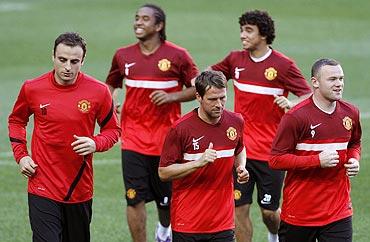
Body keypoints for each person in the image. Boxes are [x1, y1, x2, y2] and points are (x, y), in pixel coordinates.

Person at [207, 9, 312, 242]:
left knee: (269, 212)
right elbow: (208, 75)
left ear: (262, 34)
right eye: (242, 30)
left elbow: (309, 95)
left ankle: (274, 235)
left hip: (270, 152)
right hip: (240, 150)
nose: (242, 35)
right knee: (238, 208)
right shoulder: (235, 59)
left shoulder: (283, 65)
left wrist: (292, 103)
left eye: (248, 30)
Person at [8, 32, 121, 242]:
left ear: (83, 61)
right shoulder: (32, 88)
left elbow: (113, 131)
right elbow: (16, 121)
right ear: (53, 56)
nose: (67, 67)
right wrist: (21, 155)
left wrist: (95, 143)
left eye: (74, 61)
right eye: (62, 60)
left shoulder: (99, 91)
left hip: (79, 188)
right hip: (42, 184)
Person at [105, 3, 199, 242]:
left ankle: (164, 231)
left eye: (145, 19)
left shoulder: (178, 56)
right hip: (132, 139)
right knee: (133, 198)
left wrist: (172, 97)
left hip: (166, 140)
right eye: (136, 18)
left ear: (159, 26)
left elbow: (198, 87)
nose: (138, 22)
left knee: (166, 202)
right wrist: (109, 101)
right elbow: (111, 84)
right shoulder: (123, 55)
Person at [269, 58, 362, 242]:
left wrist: (354, 159)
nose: (339, 84)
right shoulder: (295, 117)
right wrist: (316, 160)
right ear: (315, 82)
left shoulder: (350, 113)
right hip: (300, 214)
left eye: (341, 79)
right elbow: (276, 159)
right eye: (332, 79)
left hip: (338, 213)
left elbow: (354, 143)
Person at [158, 70, 249, 242]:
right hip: (188, 222)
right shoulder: (180, 129)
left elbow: (239, 148)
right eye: (212, 99)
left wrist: (241, 166)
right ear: (198, 97)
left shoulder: (236, 122)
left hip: (223, 223)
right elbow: (163, 172)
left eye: (223, 98)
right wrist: (197, 163)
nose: (219, 105)